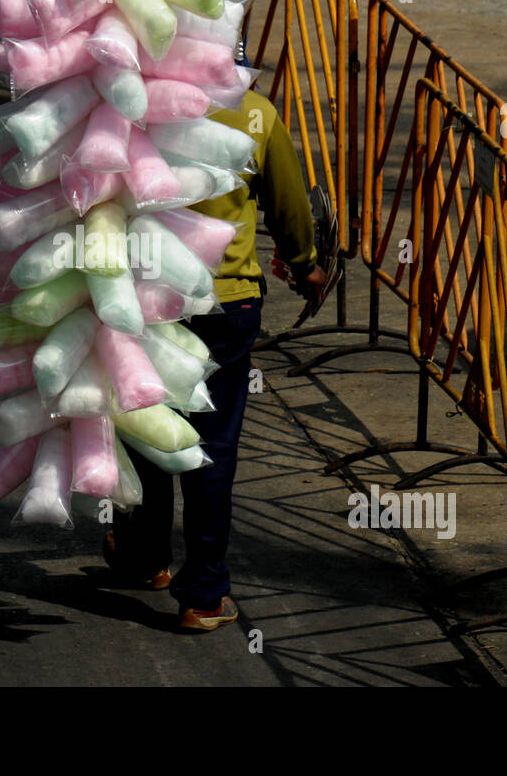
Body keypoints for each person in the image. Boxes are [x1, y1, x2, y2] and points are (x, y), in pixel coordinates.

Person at [104, 89, 330, 631]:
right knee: (212, 446)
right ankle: (203, 595)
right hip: (226, 304)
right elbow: (290, 206)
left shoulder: (132, 97)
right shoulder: (255, 113)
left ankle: (144, 556)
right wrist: (306, 265)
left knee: (146, 423)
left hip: (147, 298)